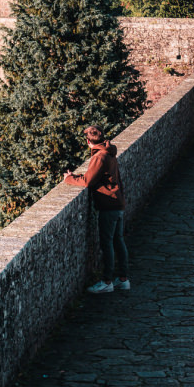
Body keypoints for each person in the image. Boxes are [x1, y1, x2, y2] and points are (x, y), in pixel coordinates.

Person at [64, 125, 130, 294]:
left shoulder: (99, 157)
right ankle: (123, 279)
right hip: (118, 202)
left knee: (107, 243)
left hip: (108, 205)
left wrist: (69, 179)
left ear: (88, 141)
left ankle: (107, 281)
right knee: (118, 241)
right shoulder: (109, 152)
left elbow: (87, 181)